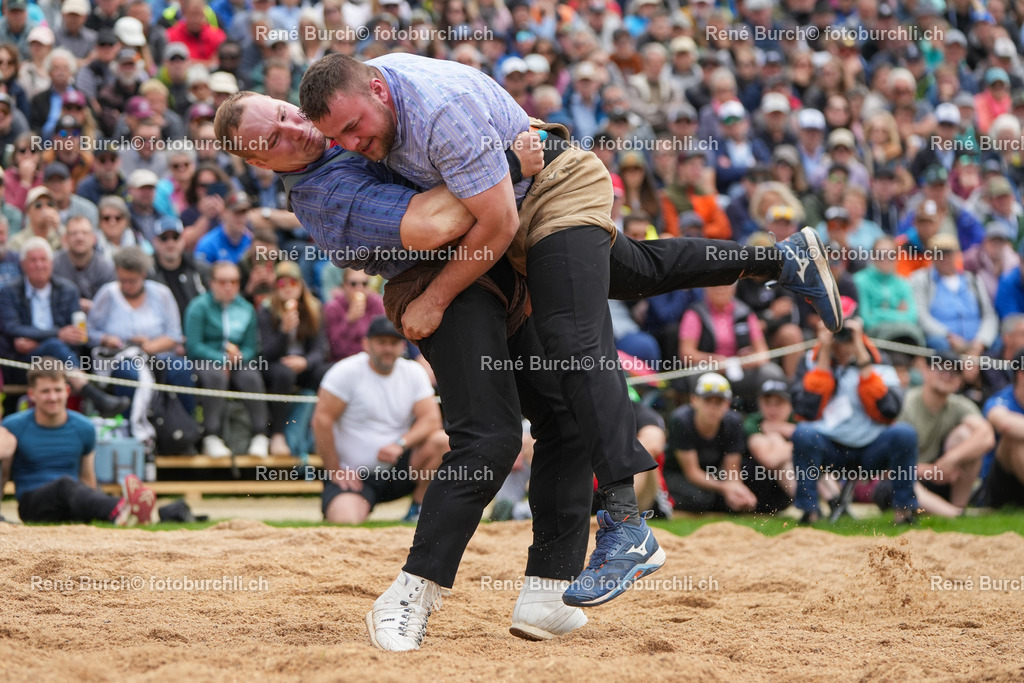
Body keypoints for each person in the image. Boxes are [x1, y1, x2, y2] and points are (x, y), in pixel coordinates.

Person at [215, 87, 842, 650]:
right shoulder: (322, 193)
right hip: (441, 284)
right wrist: (510, 161)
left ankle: (546, 591)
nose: (292, 130)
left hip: (504, 252)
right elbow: (434, 225)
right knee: (488, 438)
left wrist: (509, 142)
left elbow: (438, 110)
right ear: (260, 164)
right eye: (269, 140)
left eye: (284, 114)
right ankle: (411, 593)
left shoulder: (351, 104)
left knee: (585, 372)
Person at [313, 315, 448, 524]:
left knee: (443, 441)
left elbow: (431, 420)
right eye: (381, 342)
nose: (388, 348)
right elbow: (321, 421)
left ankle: (419, 508)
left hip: (399, 470)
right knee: (344, 520)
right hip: (354, 477)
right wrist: (335, 470)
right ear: (366, 344)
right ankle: (349, 501)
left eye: (393, 343)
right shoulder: (345, 371)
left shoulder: (414, 372)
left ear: (402, 346)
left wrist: (400, 444)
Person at [791, 317, 918, 525]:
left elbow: (890, 410)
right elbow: (804, 410)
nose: (840, 338)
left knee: (905, 434)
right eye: (835, 329)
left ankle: (903, 513)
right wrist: (824, 355)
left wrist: (860, 352)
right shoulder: (809, 360)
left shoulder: (879, 359)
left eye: (844, 330)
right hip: (829, 448)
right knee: (803, 432)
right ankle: (809, 513)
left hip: (871, 449)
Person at [0, 362, 156, 526]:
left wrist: (91, 500)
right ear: (32, 394)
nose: (53, 397)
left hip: (72, 499)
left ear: (67, 391)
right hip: (33, 504)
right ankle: (122, 507)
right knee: (64, 484)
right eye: (45, 391)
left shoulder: (84, 427)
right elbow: (3, 474)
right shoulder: (13, 426)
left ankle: (128, 513)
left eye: (57, 390)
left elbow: (88, 477)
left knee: (71, 487)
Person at [0, 237, 129, 418]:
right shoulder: (9, 291)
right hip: (21, 363)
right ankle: (94, 395)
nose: (39, 265)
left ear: (51, 263)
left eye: (43, 259)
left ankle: (88, 391)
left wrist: (39, 343)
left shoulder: (67, 290)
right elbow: (11, 328)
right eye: (33, 260)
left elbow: (76, 336)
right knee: (54, 344)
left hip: (62, 363)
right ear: (22, 264)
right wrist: (57, 334)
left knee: (55, 346)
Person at [664, 372, 790, 514]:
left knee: (737, 495)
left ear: (727, 404)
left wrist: (738, 490)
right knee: (701, 499)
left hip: (712, 475)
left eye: (718, 402)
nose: (713, 407)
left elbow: (732, 469)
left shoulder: (733, 422)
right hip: (678, 474)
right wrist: (726, 488)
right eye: (707, 401)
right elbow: (691, 472)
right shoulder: (681, 420)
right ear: (694, 400)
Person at [183, 261, 269, 458]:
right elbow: (193, 345)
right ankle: (211, 436)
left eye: (234, 281)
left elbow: (251, 347)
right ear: (211, 283)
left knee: (251, 377)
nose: (228, 286)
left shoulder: (246, 309)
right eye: (222, 282)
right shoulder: (198, 307)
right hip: (205, 359)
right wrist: (221, 359)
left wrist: (240, 357)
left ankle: (260, 435)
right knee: (215, 377)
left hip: (237, 360)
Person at [895, 351, 993, 516]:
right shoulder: (906, 403)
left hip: (944, 478)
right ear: (925, 371)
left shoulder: (961, 405)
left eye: (954, 372)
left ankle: (957, 507)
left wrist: (949, 460)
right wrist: (930, 470)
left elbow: (986, 436)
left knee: (966, 436)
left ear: (960, 381)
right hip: (907, 478)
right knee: (900, 475)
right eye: (940, 368)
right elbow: (888, 465)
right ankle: (955, 514)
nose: (947, 375)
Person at [258, 260, 328, 457]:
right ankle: (278, 434)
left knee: (326, 372)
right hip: (276, 365)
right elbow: (266, 352)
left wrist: (305, 362)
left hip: (303, 364)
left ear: (301, 285)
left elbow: (319, 349)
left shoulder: (313, 308)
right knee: (284, 374)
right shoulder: (266, 310)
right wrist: (283, 332)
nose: (287, 289)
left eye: (293, 283)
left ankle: (315, 431)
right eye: (282, 284)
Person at [149, 215, 210, 323]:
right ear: (155, 242)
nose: (170, 243)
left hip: (196, 328)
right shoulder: (148, 272)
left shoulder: (199, 268)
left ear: (183, 240)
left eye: (175, 237)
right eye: (164, 238)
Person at [983, 350, 1024, 509]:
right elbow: (1004, 424)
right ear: (1021, 374)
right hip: (1000, 485)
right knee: (1013, 438)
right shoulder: (1001, 398)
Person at [324, 267, 385, 362]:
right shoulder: (333, 308)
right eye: (353, 284)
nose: (359, 288)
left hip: (374, 360)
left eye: (364, 284)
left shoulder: (377, 304)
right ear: (344, 285)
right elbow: (336, 349)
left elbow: (384, 339)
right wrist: (349, 321)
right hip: (344, 361)